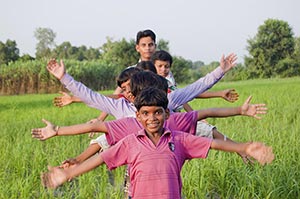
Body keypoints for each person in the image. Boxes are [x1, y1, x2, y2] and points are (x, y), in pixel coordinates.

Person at [40, 87, 274, 199]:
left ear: (166, 114)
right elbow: (101, 158)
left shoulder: (179, 139)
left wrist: (243, 147)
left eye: (158, 113)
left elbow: (213, 144)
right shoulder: (130, 142)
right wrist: (67, 175)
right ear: (138, 116)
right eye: (146, 113)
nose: (152, 118)